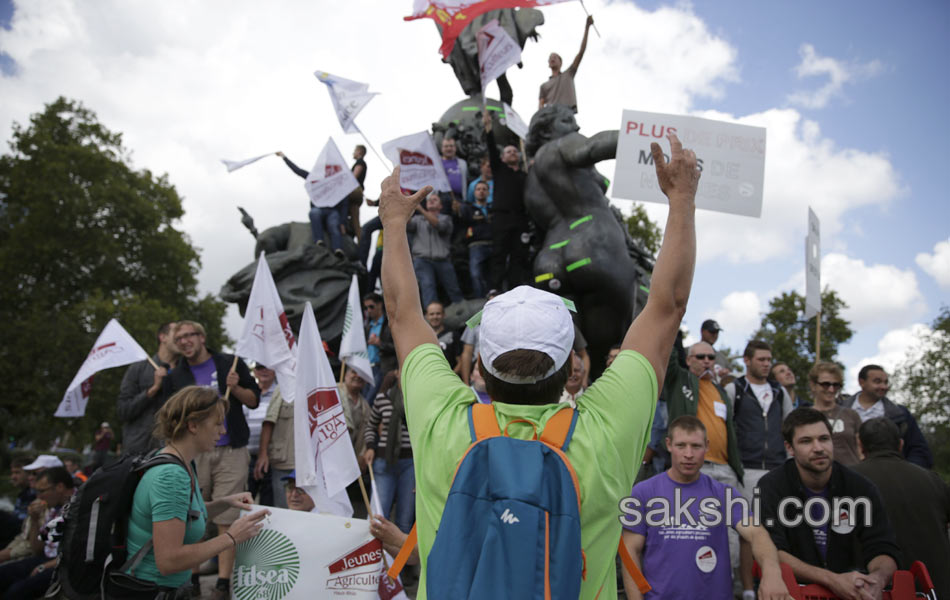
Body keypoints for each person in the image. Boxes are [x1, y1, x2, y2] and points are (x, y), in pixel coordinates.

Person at [378, 131, 700, 598]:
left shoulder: (441, 421)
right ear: (573, 364)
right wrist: (682, 200)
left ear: (481, 370)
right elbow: (666, 306)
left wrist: (391, 223)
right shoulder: (604, 431)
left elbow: (401, 311)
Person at [620, 416, 788, 600]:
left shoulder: (723, 494)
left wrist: (772, 573)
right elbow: (630, 552)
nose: (689, 454)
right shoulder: (644, 492)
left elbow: (756, 533)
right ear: (668, 444)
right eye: (681, 445)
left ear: (707, 446)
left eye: (696, 446)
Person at [125, 386, 269, 599]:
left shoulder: (178, 461)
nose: (222, 431)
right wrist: (231, 537)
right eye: (217, 424)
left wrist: (225, 502)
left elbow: (182, 516)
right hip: (153, 591)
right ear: (193, 425)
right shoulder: (171, 477)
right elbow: (168, 561)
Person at [758, 408, 899, 600]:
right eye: (806, 441)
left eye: (824, 439)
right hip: (794, 592)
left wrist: (877, 581)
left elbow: (883, 547)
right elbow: (773, 551)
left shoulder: (860, 487)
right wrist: (832, 580)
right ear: (789, 448)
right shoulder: (772, 486)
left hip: (852, 590)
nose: (818, 448)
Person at [164, 320, 261, 598]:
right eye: (178, 338)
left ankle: (222, 583)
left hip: (232, 451)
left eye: (189, 335)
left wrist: (236, 387)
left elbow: (253, 399)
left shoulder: (230, 363)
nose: (184, 341)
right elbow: (172, 417)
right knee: (192, 513)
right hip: (196, 454)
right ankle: (191, 579)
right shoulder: (175, 376)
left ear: (202, 337)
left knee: (228, 517)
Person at [852, 417, 950, 599]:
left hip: (871, 592)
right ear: (900, 445)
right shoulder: (934, 481)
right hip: (934, 590)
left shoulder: (846, 482)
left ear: (861, 445)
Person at [724, 340, 792, 594]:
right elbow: (726, 427)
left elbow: (789, 426)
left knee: (778, 527)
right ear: (747, 360)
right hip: (747, 468)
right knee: (747, 530)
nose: (766, 364)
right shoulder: (735, 388)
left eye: (769, 360)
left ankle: (778, 584)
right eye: (761, 359)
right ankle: (747, 589)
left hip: (777, 467)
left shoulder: (779, 391)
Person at [841, 364, 933, 468]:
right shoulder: (838, 410)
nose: (884, 387)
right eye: (877, 382)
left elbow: (919, 450)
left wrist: (907, 472)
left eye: (886, 382)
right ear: (861, 382)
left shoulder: (900, 414)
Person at [482, 110, 529, 292]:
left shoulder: (525, 176)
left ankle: (516, 288)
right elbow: (492, 149)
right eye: (508, 152)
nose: (512, 154)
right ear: (503, 157)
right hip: (501, 218)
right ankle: (495, 288)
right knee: (499, 253)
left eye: (514, 152)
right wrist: (489, 129)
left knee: (519, 254)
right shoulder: (499, 169)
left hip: (520, 219)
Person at [362, 370, 414, 535]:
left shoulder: (418, 400)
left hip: (410, 464)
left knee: (405, 519)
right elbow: (371, 426)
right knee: (378, 514)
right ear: (396, 374)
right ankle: (376, 558)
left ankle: (401, 561)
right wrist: (370, 446)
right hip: (383, 462)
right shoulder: (381, 398)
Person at [117, 321, 180, 456]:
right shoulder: (138, 368)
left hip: (173, 452)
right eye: (177, 332)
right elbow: (123, 411)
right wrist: (153, 389)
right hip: (137, 451)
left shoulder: (186, 373)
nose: (182, 338)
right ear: (162, 337)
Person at [274, 150, 347, 254]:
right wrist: (284, 157)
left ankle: (338, 249)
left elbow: (344, 204)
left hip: (332, 211)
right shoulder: (316, 180)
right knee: (314, 213)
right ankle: (319, 240)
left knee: (334, 225)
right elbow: (298, 171)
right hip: (318, 209)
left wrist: (343, 222)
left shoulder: (337, 184)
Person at [406, 193, 464, 309]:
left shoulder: (446, 219)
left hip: (443, 260)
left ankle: (461, 316)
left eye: (435, 200)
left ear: (441, 206)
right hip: (422, 260)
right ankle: (432, 318)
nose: (431, 201)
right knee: (428, 286)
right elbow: (405, 225)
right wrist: (408, 208)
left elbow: (439, 226)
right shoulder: (417, 219)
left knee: (453, 288)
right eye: (429, 200)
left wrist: (421, 209)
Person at [808, 362, 861, 465]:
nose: (831, 389)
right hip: (817, 476)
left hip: (850, 474)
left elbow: (861, 450)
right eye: (825, 384)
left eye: (836, 385)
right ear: (813, 385)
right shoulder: (804, 416)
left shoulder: (851, 415)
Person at [539, 15, 594, 112]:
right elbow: (540, 106)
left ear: (561, 62)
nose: (552, 58)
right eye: (550, 58)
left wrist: (587, 27)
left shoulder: (568, 74)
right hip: (551, 115)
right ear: (548, 64)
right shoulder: (544, 86)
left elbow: (581, 52)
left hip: (566, 113)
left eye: (555, 57)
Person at [253, 376, 293, 510]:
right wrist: (263, 454)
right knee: (284, 510)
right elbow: (269, 422)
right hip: (285, 463)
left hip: (315, 467)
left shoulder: (325, 387)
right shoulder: (283, 388)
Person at [245, 364, 276, 506]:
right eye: (259, 367)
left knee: (268, 504)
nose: (264, 370)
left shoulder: (282, 393)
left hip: (272, 459)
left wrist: (264, 454)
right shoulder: (248, 394)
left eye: (268, 366)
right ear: (254, 371)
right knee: (245, 503)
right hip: (246, 457)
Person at [459, 180, 493, 298]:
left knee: (493, 275)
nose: (481, 192)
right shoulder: (468, 209)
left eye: (484, 189)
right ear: (474, 193)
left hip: (493, 244)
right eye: (478, 189)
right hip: (476, 245)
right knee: (476, 274)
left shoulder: (493, 208)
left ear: (488, 192)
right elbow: (462, 226)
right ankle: (480, 300)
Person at [363, 292, 396, 403]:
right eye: (366, 308)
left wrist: (380, 344)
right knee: (365, 398)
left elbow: (396, 347)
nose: (369, 310)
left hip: (381, 368)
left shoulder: (389, 324)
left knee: (370, 400)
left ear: (380, 305)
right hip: (368, 367)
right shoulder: (368, 326)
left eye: (371, 306)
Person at [424, 302, 462, 372]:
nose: (435, 317)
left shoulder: (453, 335)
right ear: (426, 316)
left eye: (438, 314)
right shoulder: (421, 336)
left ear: (444, 315)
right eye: (431, 314)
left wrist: (451, 376)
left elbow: (460, 362)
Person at [439, 137, 467, 209]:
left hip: (459, 199)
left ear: (455, 148)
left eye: (451, 146)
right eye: (446, 146)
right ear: (442, 148)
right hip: (441, 199)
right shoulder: (437, 163)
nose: (449, 148)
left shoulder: (462, 163)